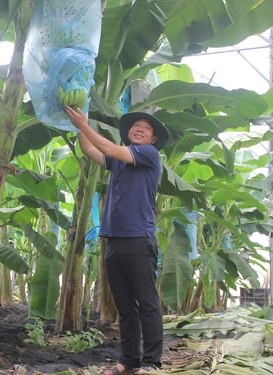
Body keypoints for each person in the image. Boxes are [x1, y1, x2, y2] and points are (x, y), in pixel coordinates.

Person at [65, 106, 168, 374]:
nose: (139, 128)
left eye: (146, 127)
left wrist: (85, 125)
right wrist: (79, 125)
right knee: (125, 306)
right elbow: (91, 151)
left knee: (146, 303)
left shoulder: (148, 154)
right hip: (114, 239)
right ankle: (130, 361)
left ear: (153, 139)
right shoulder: (121, 160)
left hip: (138, 238)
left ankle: (152, 363)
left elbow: (109, 149)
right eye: (136, 125)